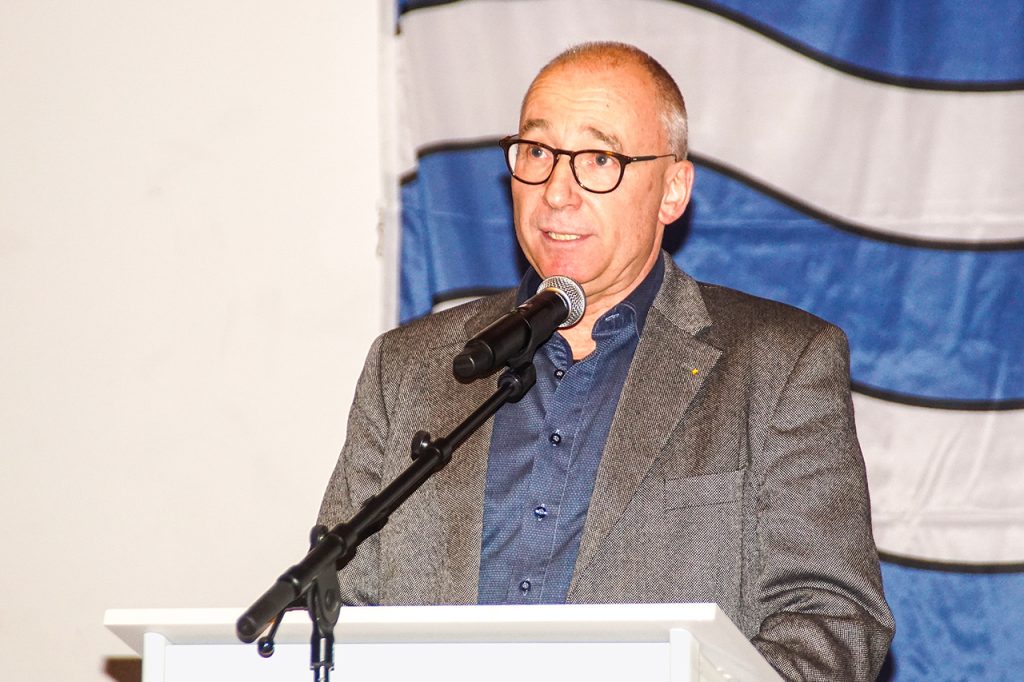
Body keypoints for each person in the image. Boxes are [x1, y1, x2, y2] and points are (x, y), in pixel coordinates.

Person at [319, 41, 894, 679]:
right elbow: (336, 604)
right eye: (537, 153)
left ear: (672, 191)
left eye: (599, 159)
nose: (556, 192)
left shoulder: (779, 364)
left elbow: (832, 619)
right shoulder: (410, 366)